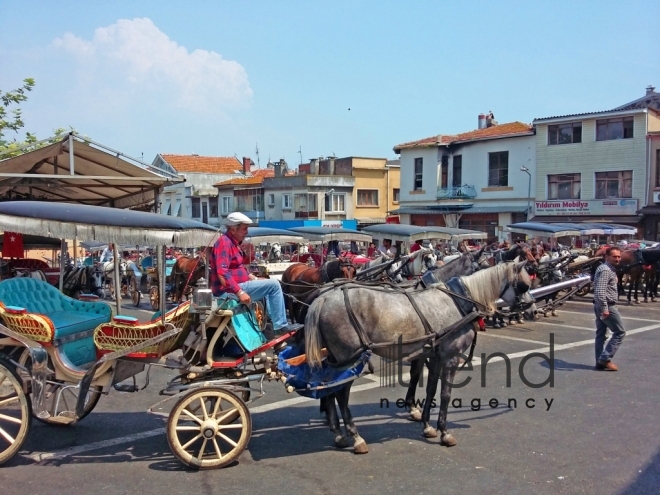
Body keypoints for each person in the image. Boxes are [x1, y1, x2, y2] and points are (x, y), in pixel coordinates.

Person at [209, 212, 302, 334]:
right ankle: (280, 326)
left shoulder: (233, 243)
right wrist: (239, 292)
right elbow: (222, 273)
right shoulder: (224, 243)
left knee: (271, 284)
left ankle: (270, 324)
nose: (246, 232)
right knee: (274, 285)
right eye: (244, 229)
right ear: (232, 229)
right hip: (227, 292)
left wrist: (255, 279)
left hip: (235, 288)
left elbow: (238, 267)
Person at [593, 247, 625, 371]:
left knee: (601, 334)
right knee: (620, 332)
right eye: (614, 256)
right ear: (607, 257)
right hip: (607, 306)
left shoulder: (608, 269)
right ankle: (605, 359)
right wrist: (605, 309)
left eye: (619, 256)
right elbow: (600, 292)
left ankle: (599, 362)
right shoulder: (606, 270)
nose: (617, 259)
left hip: (601, 305)